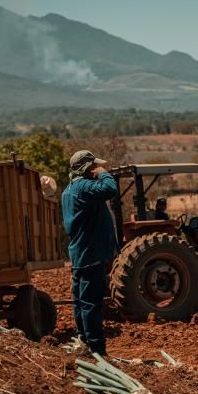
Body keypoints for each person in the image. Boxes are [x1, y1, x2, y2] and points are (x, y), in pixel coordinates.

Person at [62, 150, 118, 356]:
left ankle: (82, 342)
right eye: (93, 166)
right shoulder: (83, 187)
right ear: (87, 168)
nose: (96, 168)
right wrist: (102, 173)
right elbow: (110, 189)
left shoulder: (67, 191)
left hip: (79, 253)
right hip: (91, 254)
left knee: (80, 302)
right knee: (91, 304)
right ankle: (96, 350)